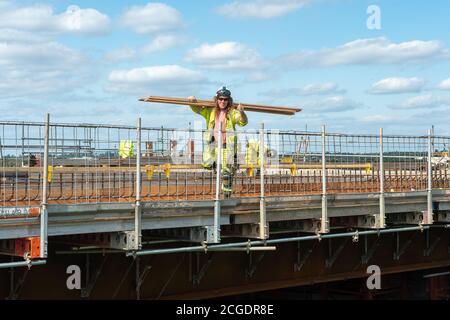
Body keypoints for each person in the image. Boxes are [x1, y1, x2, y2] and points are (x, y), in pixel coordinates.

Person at [189, 86, 248, 197]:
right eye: (221, 99)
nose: (223, 101)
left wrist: (242, 112)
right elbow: (197, 109)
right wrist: (192, 101)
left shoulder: (233, 113)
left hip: (227, 147)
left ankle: (226, 196)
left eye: (225, 99)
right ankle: (218, 171)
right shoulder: (210, 111)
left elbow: (243, 122)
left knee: (227, 173)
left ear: (229, 100)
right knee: (208, 164)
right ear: (216, 100)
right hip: (213, 146)